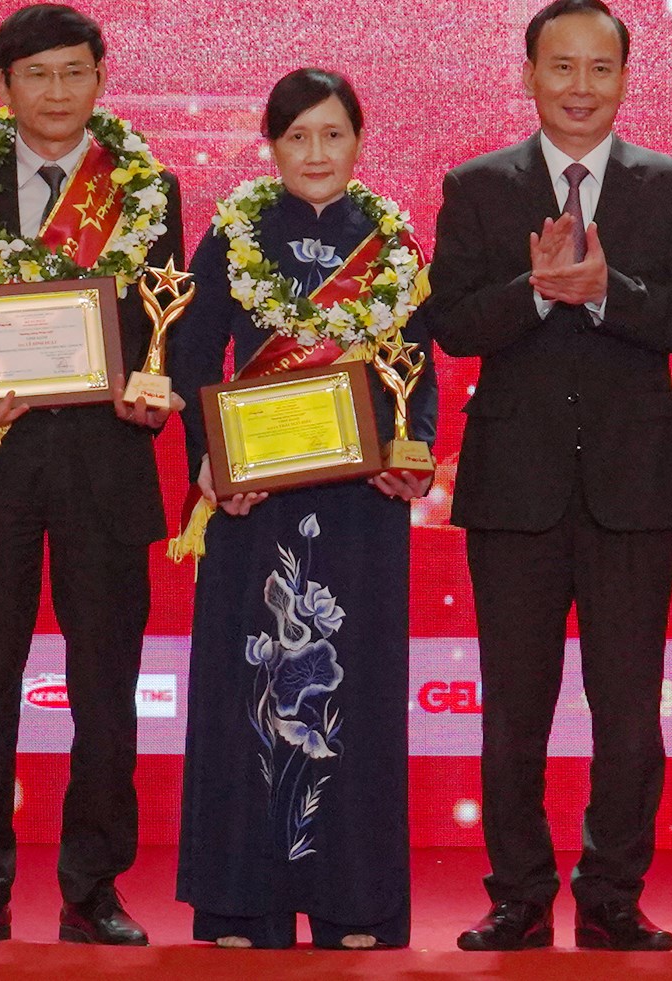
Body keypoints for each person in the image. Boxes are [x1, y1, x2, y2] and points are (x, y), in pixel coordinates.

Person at [427, 0, 672, 952]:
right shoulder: (478, 186)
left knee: (630, 713)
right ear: (529, 74)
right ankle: (517, 895)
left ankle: (611, 894)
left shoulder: (671, 188)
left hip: (633, 488)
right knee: (515, 711)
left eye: (600, 67)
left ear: (625, 78)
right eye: (562, 66)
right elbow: (451, 322)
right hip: (514, 488)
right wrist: (535, 287)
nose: (580, 86)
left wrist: (606, 292)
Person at [0, 4, 184, 945]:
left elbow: (164, 327)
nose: (57, 91)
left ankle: (94, 888)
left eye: (73, 71)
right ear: (5, 86)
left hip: (106, 468)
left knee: (106, 691)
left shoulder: (147, 187)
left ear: (101, 76)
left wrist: (155, 390)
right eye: (36, 74)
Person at [166, 69, 437, 950]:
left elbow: (416, 365)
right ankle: (240, 904)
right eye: (297, 136)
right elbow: (192, 356)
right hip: (254, 499)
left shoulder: (391, 243)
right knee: (244, 693)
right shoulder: (233, 233)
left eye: (332, 134)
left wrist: (413, 452)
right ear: (272, 144)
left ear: (358, 140)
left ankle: (357, 904)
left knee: (355, 693)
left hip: (361, 502)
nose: (316, 152)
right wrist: (213, 464)